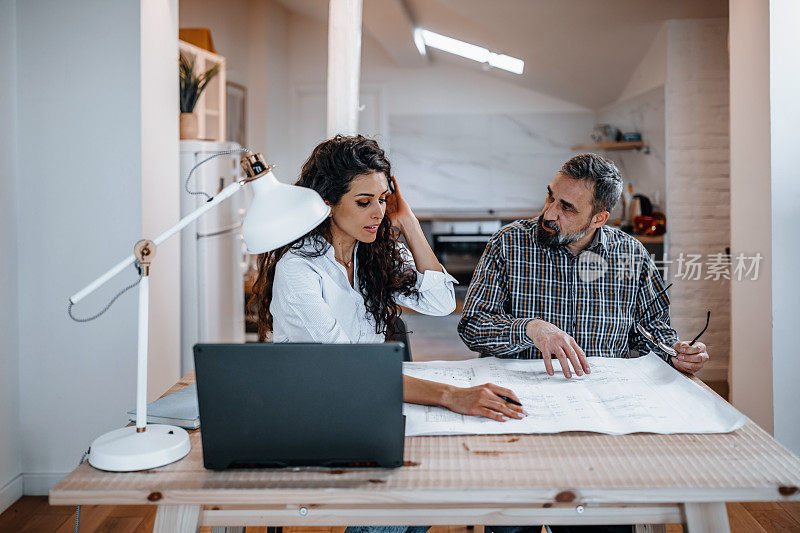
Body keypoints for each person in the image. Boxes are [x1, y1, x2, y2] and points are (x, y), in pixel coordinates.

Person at [457, 153, 710, 533]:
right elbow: (472, 326)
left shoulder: (631, 254)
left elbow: (655, 334)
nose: (549, 212)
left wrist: (679, 355)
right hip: (519, 415)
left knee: (599, 525)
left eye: (566, 207)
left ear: (599, 218)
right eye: (550, 197)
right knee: (511, 525)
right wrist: (529, 328)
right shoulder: (508, 244)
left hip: (599, 421)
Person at [250, 134, 526, 422]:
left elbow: (441, 303)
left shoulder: (375, 253)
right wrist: (450, 395)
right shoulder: (298, 270)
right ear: (328, 202)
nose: (379, 212)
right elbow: (345, 367)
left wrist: (409, 223)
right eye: (363, 202)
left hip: (368, 394)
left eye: (382, 200)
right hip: (315, 407)